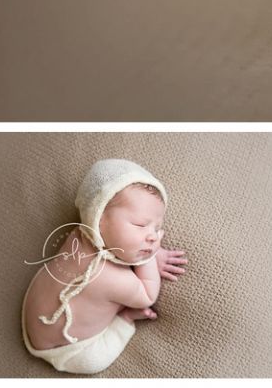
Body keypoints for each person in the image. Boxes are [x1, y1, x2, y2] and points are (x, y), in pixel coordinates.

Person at [22, 159, 187, 374]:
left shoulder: (77, 233)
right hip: (65, 347)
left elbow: (121, 249)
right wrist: (149, 258)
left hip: (34, 314)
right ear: (99, 218)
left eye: (158, 228)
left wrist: (145, 246)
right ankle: (125, 320)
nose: (154, 237)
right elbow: (147, 295)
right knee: (93, 363)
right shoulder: (110, 278)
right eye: (140, 225)